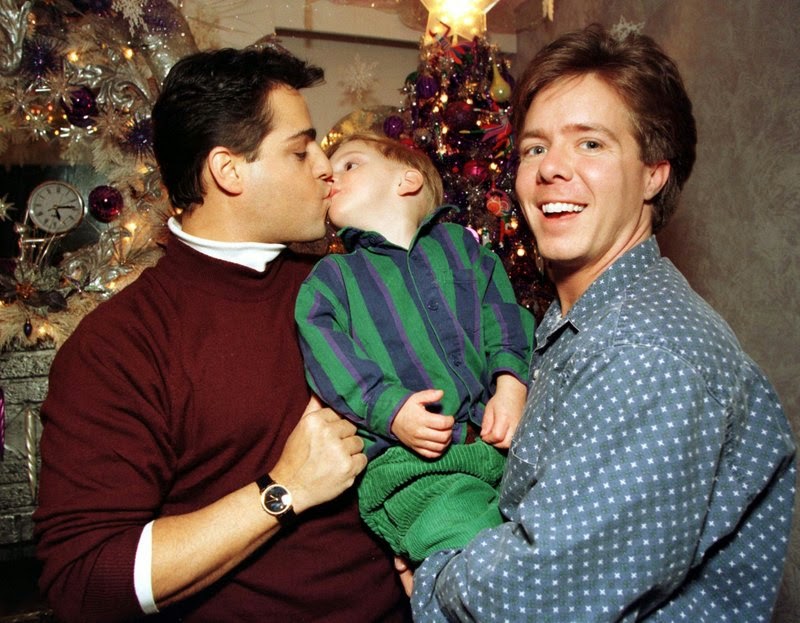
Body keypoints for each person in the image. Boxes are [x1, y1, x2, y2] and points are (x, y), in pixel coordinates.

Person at [408, 24, 797, 622]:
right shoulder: (584, 319)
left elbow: (536, 600)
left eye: (590, 143)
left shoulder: (644, 354)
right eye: (534, 148)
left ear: (654, 173)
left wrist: (433, 579)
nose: (550, 169)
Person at [33, 46, 409, 622]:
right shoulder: (120, 345)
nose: (326, 168)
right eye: (300, 150)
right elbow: (85, 579)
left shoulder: (344, 284)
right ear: (228, 171)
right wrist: (283, 490)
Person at [294, 133, 534, 564]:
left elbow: (503, 314)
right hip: (411, 468)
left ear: (407, 181)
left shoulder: (462, 248)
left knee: (556, 527)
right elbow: (329, 357)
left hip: (499, 447)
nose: (331, 175)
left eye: (350, 164)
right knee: (485, 555)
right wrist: (391, 410)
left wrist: (510, 386)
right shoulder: (332, 278)